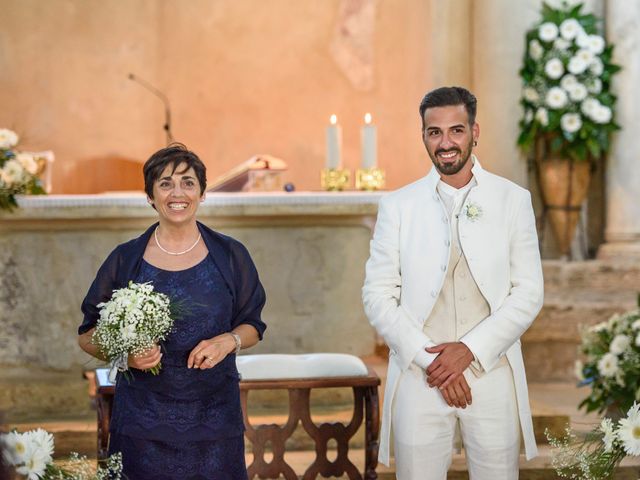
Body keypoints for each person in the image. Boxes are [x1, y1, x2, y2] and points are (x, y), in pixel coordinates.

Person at [362, 86, 543, 479]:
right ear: (424, 136)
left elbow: (528, 293)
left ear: (475, 132)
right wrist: (433, 362)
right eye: (434, 132)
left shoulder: (513, 200)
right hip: (419, 374)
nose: (445, 143)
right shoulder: (398, 206)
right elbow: (377, 296)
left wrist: (470, 351)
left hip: (491, 371)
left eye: (456, 131)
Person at [78, 144, 266, 480]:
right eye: (165, 183)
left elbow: (253, 323)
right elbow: (87, 334)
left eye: (188, 183)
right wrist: (126, 355)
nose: (177, 193)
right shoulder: (126, 258)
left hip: (214, 421)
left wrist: (229, 341)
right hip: (142, 423)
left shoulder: (231, 255)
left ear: (202, 193)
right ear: (150, 196)